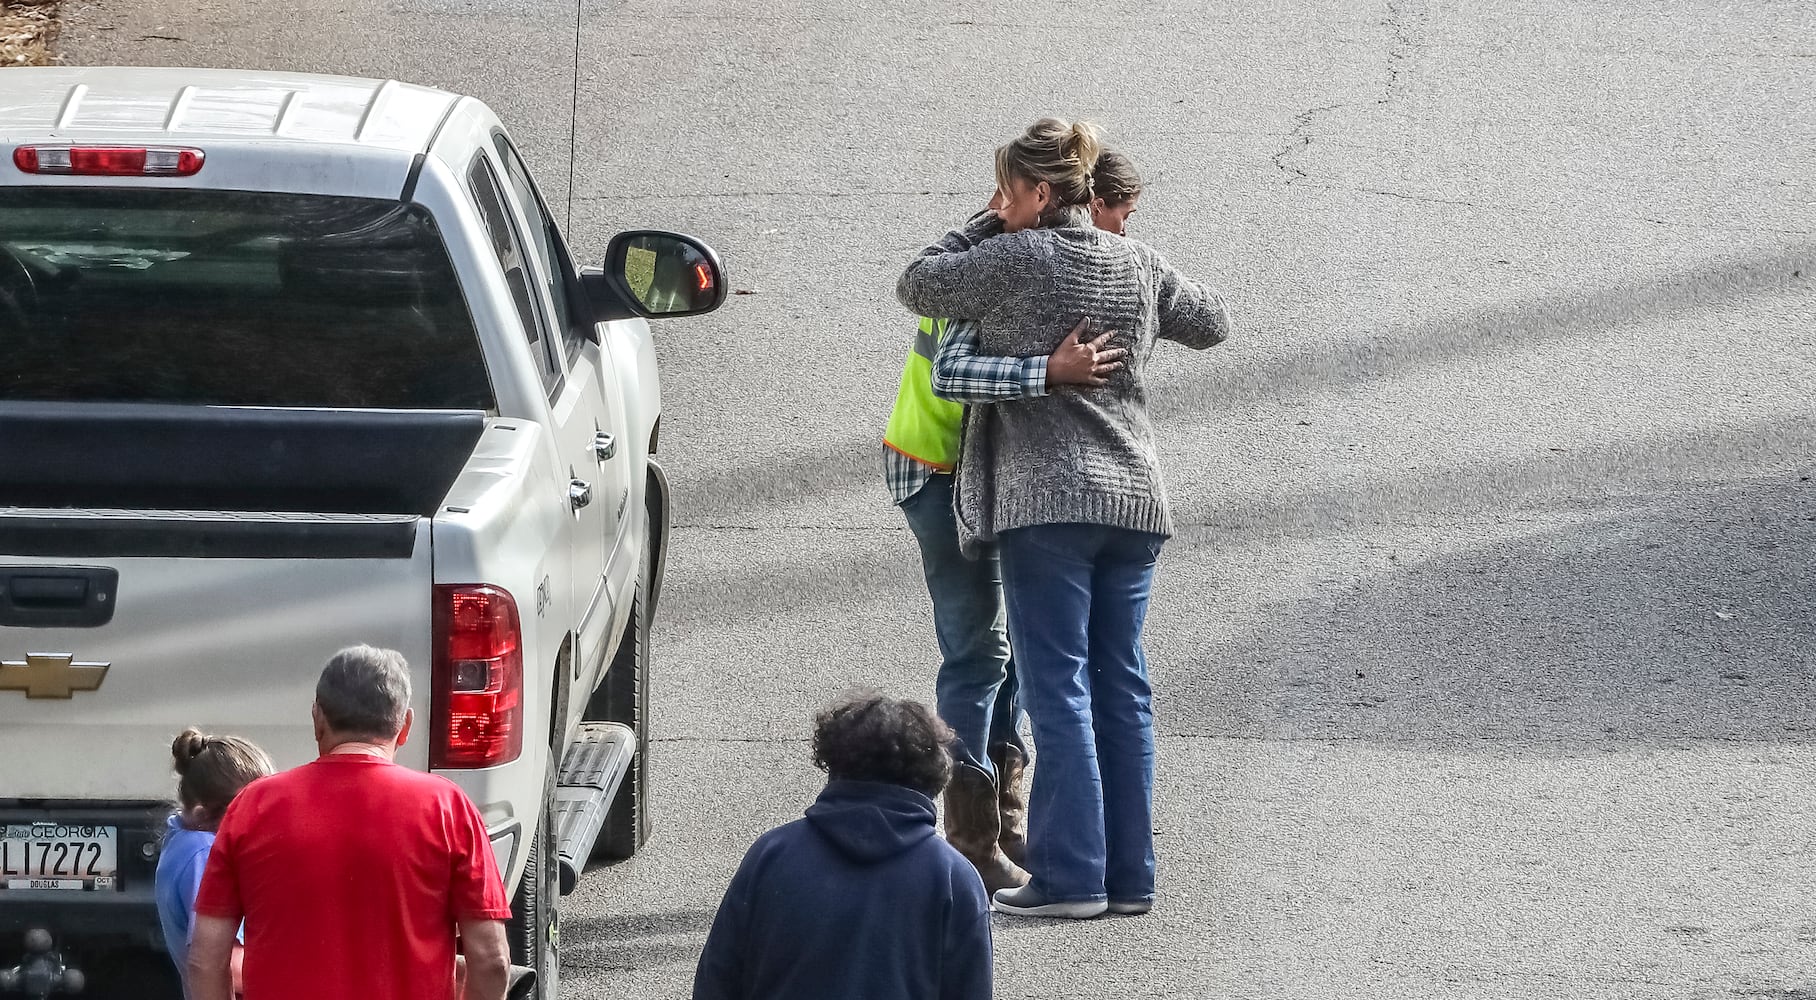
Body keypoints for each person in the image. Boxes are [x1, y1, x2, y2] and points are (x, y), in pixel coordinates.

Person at [897, 118, 1231, 919]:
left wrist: (986, 222)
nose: (1002, 205)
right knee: (1125, 687)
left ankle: (1072, 878)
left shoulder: (1012, 257)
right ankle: (1131, 876)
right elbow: (1213, 320)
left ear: (1040, 194)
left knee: (1060, 689)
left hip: (1048, 505)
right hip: (1135, 501)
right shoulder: (1136, 260)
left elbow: (920, 280)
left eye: (1011, 191)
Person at [883, 184, 1130, 893]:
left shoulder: (1060, 263)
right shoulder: (1007, 264)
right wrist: (1050, 371)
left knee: (1025, 645)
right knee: (979, 654)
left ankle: (1006, 813)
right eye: (1118, 217)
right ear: (1084, 206)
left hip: (1004, 480)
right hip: (938, 469)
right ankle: (970, 838)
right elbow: (954, 373)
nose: (1119, 236)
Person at [186, 646, 513, 1000]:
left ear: (317, 719)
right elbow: (491, 960)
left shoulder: (252, 806)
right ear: (404, 727)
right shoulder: (448, 808)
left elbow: (205, 961)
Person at [693, 692, 991, 1000]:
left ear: (833, 764)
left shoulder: (772, 853)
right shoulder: (955, 878)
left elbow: (718, 977)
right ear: (935, 779)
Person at [155, 728, 274, 999]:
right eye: (253, 811)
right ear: (203, 813)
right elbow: (228, 965)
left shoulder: (181, 838)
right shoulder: (203, 854)